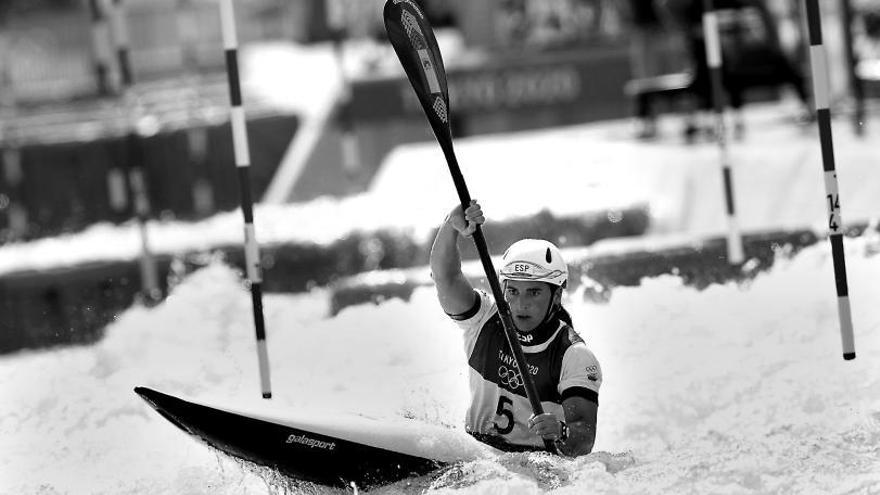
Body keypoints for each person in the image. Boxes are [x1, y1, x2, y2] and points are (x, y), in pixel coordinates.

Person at [429, 200, 602, 456]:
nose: (521, 304)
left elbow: (585, 437)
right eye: (513, 291)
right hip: (475, 453)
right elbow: (446, 277)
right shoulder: (484, 319)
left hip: (534, 468)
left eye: (533, 293)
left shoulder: (573, 355)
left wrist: (562, 430)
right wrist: (450, 226)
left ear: (556, 296)